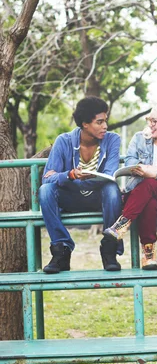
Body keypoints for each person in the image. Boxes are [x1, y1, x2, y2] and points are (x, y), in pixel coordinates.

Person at [40, 96, 122, 273]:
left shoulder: (112, 140)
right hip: (71, 197)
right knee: (46, 190)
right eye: (99, 122)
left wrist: (80, 178)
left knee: (112, 190)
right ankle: (61, 249)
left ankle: (109, 249)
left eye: (105, 121)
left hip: (98, 197)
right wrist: (69, 175)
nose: (105, 126)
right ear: (85, 124)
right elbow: (47, 178)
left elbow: (109, 175)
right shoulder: (64, 141)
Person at [103, 103, 157, 270]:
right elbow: (131, 164)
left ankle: (121, 225)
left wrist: (147, 172)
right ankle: (149, 255)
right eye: (149, 120)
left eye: (155, 120)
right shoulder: (139, 138)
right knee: (149, 202)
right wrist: (154, 169)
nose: (150, 124)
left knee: (149, 184)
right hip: (139, 194)